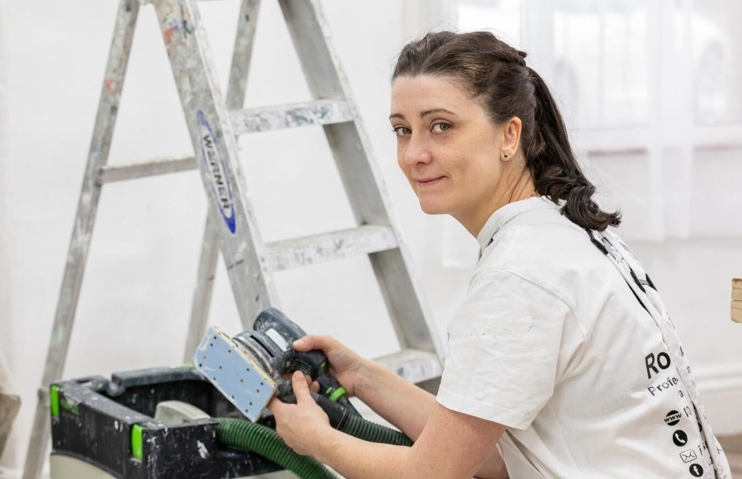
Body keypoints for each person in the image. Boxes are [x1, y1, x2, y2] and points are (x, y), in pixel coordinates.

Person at [267, 31, 731, 479]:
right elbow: (488, 456)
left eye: (441, 126)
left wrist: (315, 440)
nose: (414, 154)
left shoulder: (520, 276)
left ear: (509, 136)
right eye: (402, 131)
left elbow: (431, 473)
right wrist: (363, 378)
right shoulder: (560, 232)